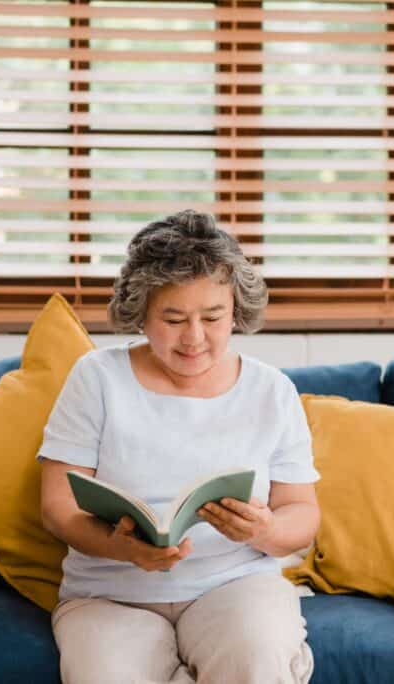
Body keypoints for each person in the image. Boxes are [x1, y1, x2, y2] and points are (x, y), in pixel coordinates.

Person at [38, 210, 320, 683]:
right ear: (142, 315)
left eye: (212, 317)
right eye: (173, 318)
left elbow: (303, 514)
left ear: (236, 313)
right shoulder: (97, 378)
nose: (194, 338)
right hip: (111, 592)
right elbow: (57, 506)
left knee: (255, 660)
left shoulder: (271, 390)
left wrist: (264, 529)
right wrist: (123, 549)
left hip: (234, 585)